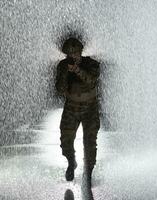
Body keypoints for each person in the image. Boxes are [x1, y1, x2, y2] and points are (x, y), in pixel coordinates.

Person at [55, 37, 100, 187]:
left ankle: (89, 171)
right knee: (65, 139)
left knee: (90, 142)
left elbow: (92, 81)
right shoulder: (62, 66)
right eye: (69, 54)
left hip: (90, 108)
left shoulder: (91, 64)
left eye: (75, 53)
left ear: (81, 52)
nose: (72, 56)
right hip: (71, 107)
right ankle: (71, 162)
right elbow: (59, 90)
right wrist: (66, 74)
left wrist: (78, 70)